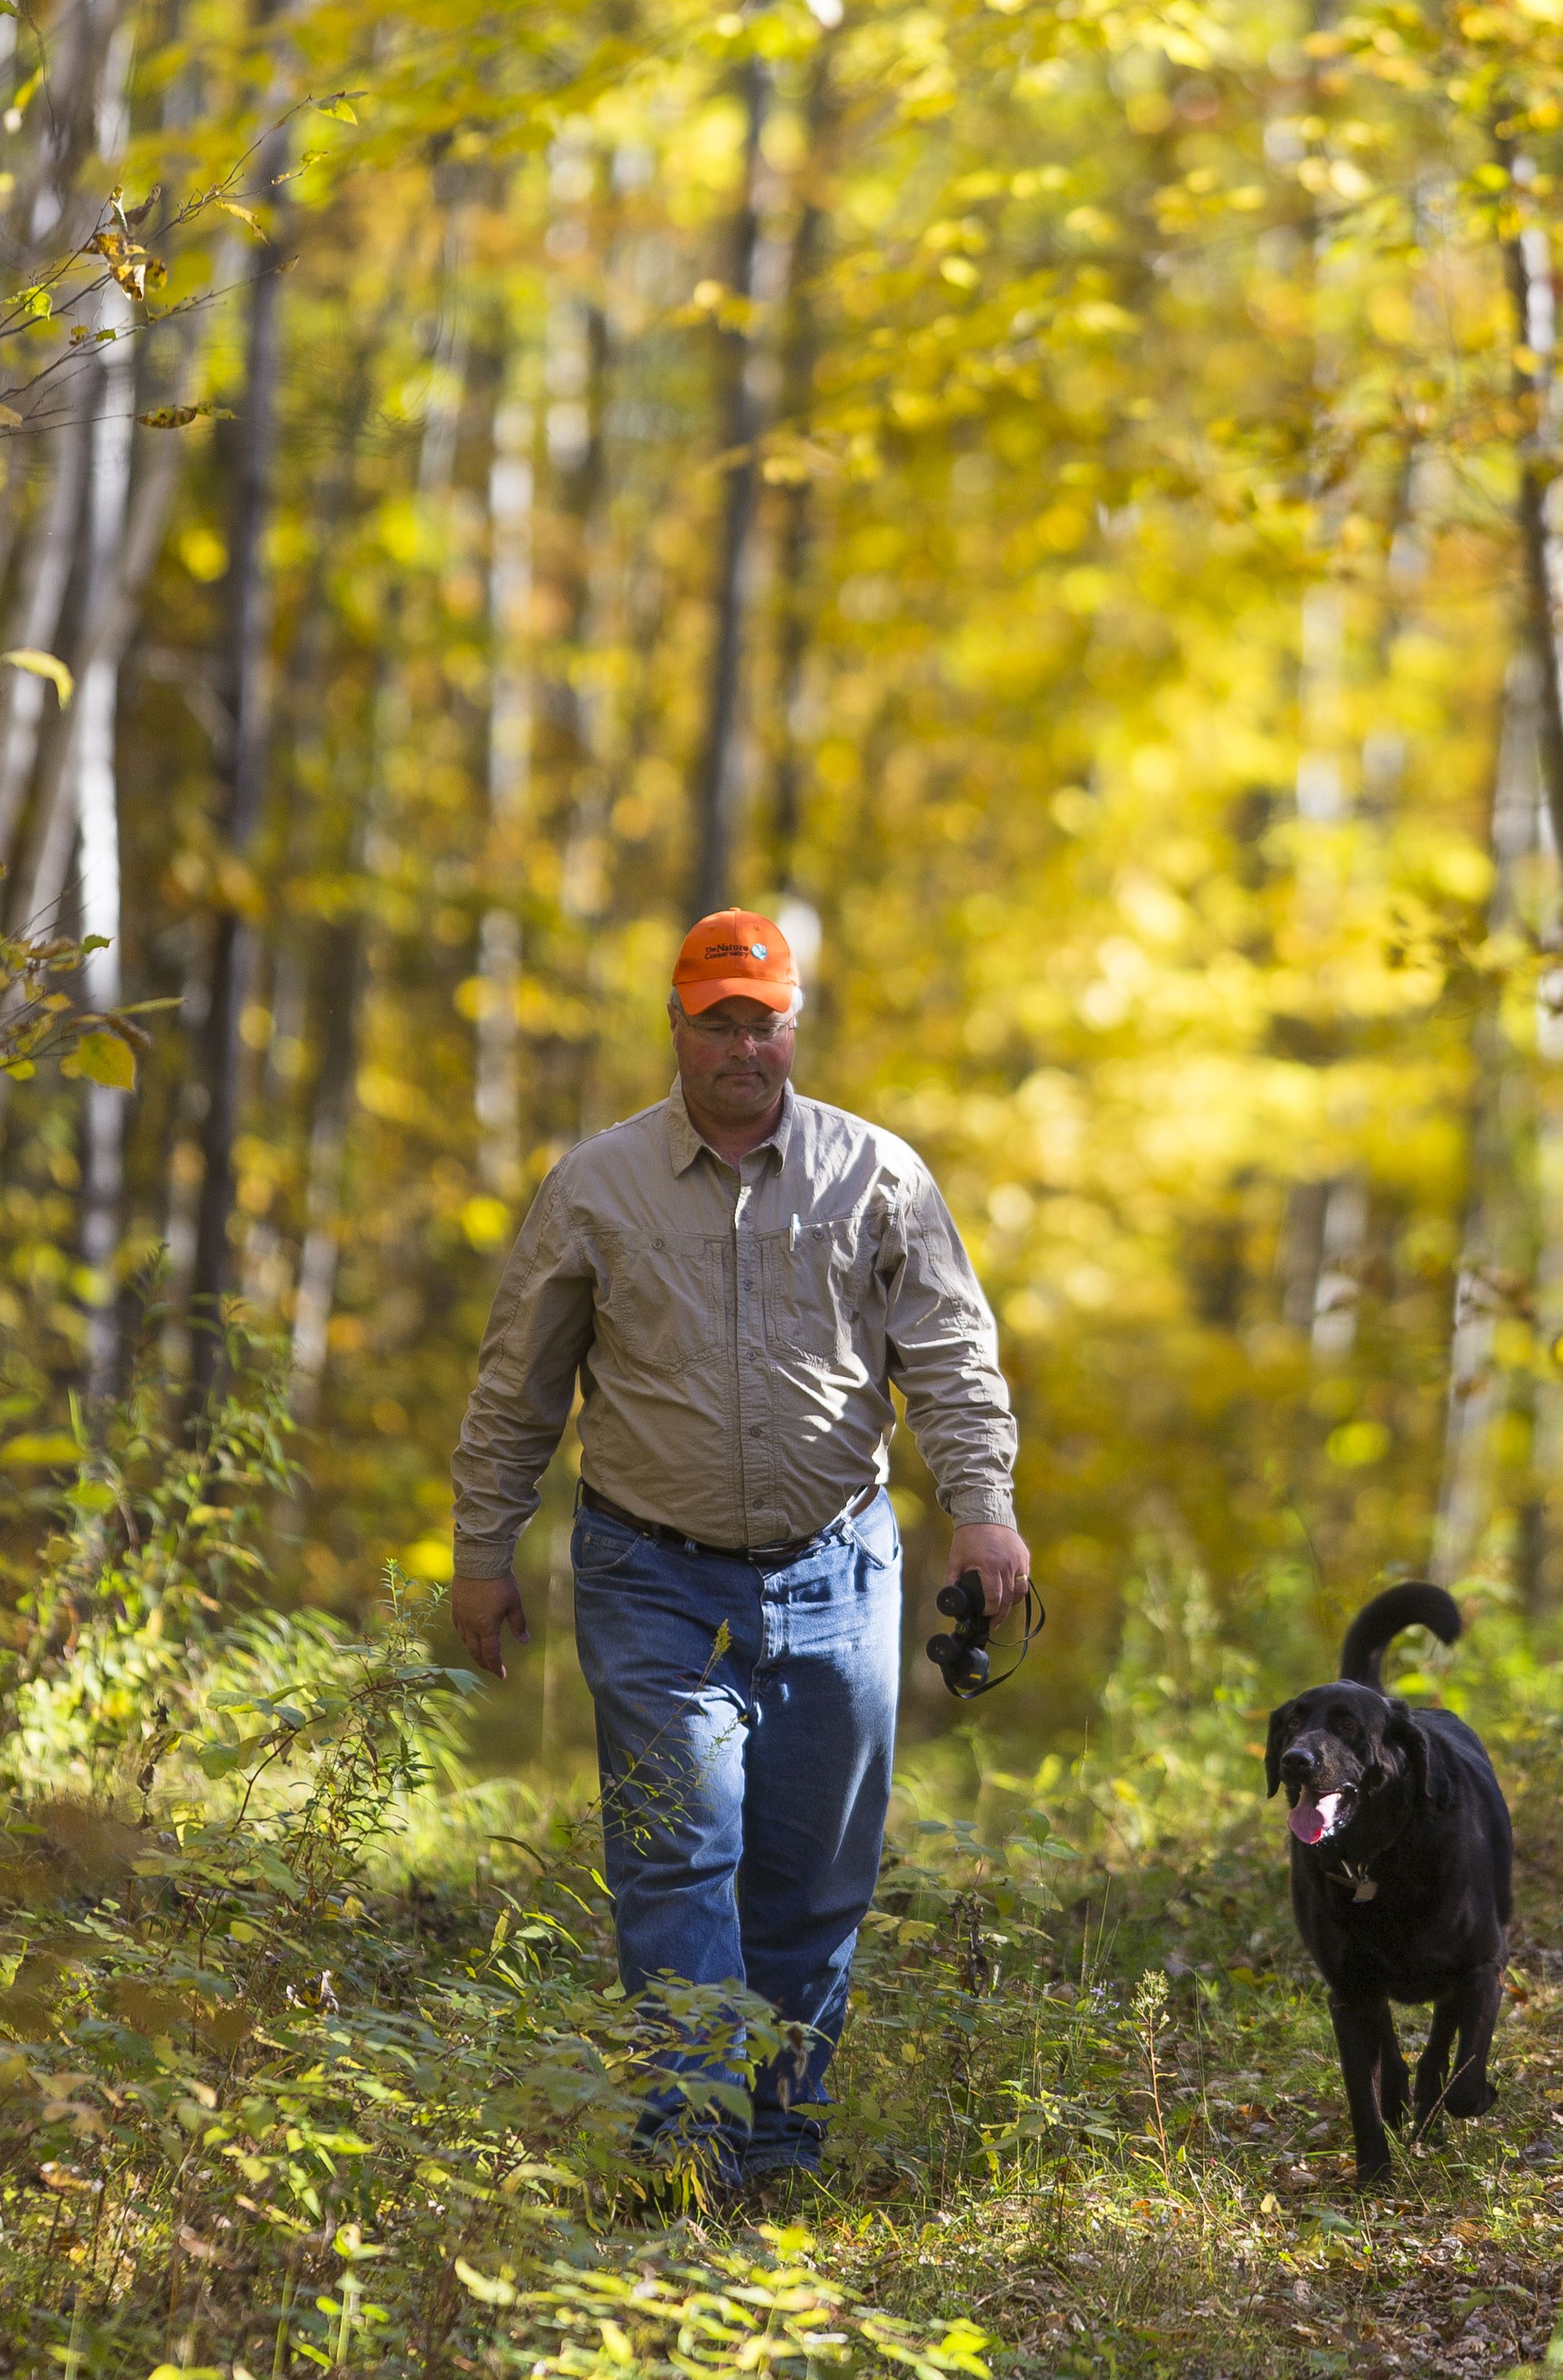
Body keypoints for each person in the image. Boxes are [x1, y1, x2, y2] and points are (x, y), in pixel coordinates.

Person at [448, 909, 1030, 2190]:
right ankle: (688, 2155)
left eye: (761, 1018)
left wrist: (982, 1506)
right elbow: (518, 1389)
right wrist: (481, 1551)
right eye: (716, 1019)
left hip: (841, 1573)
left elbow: (949, 1355)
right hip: (651, 1577)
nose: (741, 1044)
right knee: (678, 1861)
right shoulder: (595, 1187)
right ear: (677, 1024)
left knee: (814, 1881)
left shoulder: (878, 1175)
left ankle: (778, 2146)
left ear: (792, 1025)